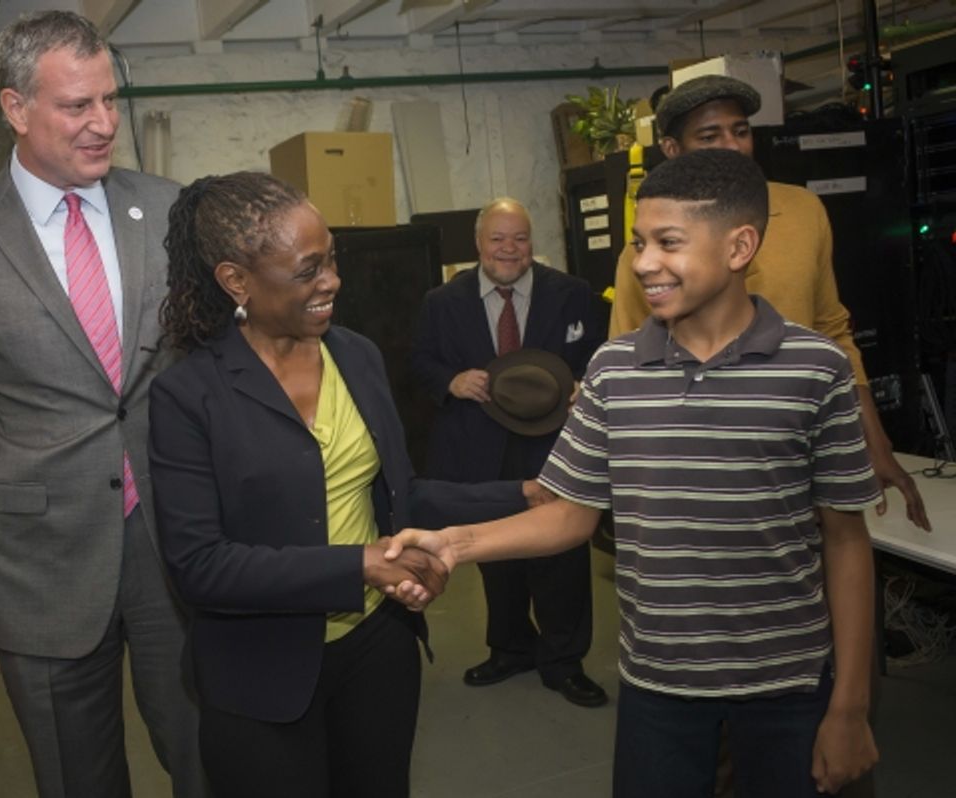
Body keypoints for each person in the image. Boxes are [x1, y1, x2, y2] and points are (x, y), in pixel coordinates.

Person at [387, 149, 881, 798]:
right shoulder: (614, 372)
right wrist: (453, 543)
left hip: (789, 687)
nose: (643, 262)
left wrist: (848, 706)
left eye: (668, 242)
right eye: (639, 242)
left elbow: (846, 541)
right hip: (658, 690)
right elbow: (569, 513)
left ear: (740, 247)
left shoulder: (815, 370)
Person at [147, 171, 544, 798]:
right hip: (263, 676)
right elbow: (200, 566)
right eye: (307, 270)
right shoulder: (188, 394)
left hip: (376, 652)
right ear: (236, 281)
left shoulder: (354, 355)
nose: (331, 281)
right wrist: (358, 564)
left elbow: (402, 495)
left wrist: (525, 493)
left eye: (331, 260)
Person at [0, 11, 206, 798]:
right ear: (14, 108)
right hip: (36, 569)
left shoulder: (171, 209)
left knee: (211, 757)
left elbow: (212, 377)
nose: (103, 124)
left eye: (110, 100)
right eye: (78, 106)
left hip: (174, 544)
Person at [609, 74, 929, 534]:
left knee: (835, 571)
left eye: (740, 131)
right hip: (709, 468)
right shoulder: (645, 257)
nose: (732, 147)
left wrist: (874, 442)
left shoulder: (802, 212)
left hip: (807, 440)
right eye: (709, 136)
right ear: (672, 150)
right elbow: (629, 375)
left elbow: (833, 332)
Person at [410, 198, 607, 706]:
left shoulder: (573, 294)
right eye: (498, 238)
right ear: (479, 244)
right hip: (479, 445)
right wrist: (450, 380)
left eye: (519, 237)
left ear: (531, 241)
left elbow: (600, 356)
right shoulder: (441, 301)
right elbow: (420, 362)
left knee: (562, 555)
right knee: (495, 554)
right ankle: (510, 647)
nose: (509, 249)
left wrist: (586, 384)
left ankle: (564, 661)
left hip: (555, 447)